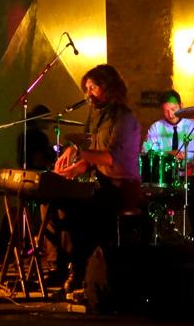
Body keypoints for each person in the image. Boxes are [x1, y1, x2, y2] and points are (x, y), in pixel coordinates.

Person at [53, 64, 141, 293]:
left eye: (93, 87)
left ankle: (80, 272)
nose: (88, 93)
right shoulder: (95, 115)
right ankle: (65, 267)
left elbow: (111, 158)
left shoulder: (124, 117)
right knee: (56, 207)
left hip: (121, 187)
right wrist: (75, 169)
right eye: (87, 88)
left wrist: (78, 152)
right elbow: (92, 154)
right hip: (102, 185)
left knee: (79, 213)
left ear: (108, 87)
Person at [143, 89, 194, 247]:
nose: (170, 114)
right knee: (150, 206)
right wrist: (168, 153)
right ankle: (154, 241)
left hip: (188, 177)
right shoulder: (156, 128)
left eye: (173, 109)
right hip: (164, 179)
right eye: (166, 110)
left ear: (182, 106)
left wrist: (191, 164)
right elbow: (146, 151)